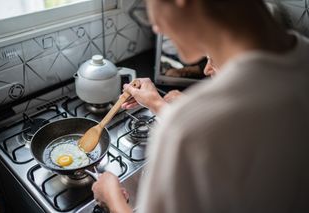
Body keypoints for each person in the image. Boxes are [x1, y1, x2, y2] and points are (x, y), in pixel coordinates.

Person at [92, 0, 309, 212]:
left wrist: (111, 198)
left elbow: (206, 130)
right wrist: (160, 104)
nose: (156, 27)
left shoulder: (189, 127)